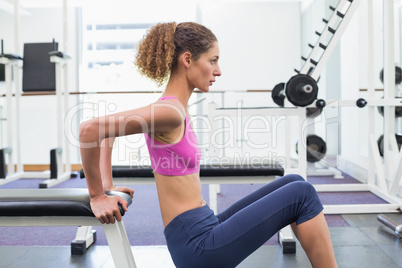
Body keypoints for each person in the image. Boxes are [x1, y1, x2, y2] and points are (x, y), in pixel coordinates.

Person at [79, 21, 337, 268]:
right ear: (188, 60)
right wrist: (98, 196)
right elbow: (91, 130)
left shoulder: (171, 106)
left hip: (202, 225)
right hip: (197, 245)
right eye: (212, 60)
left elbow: (108, 132)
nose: (218, 70)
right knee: (303, 195)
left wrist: (107, 184)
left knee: (293, 182)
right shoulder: (171, 112)